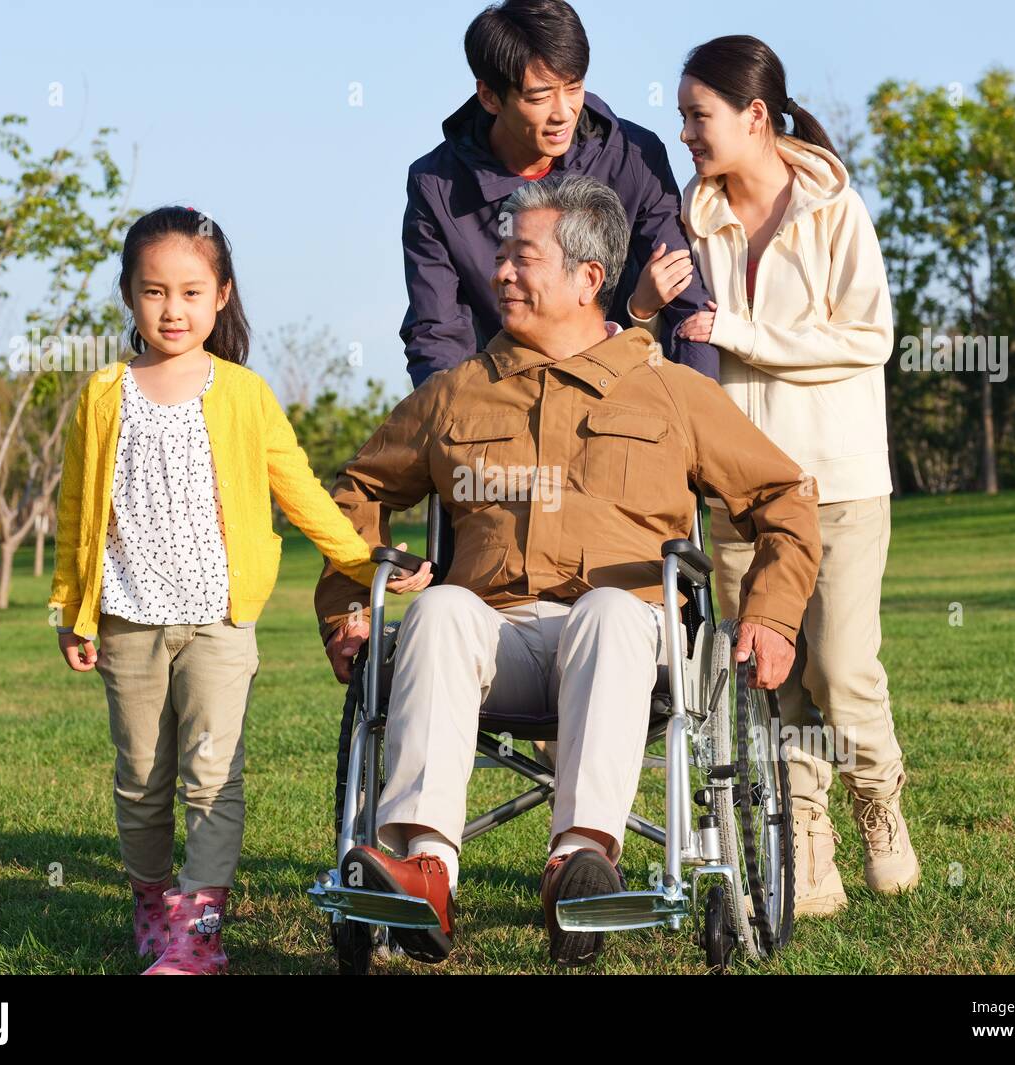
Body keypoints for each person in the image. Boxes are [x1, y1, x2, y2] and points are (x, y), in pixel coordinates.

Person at [317, 174, 821, 967]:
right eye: (502, 257)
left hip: (632, 647)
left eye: (522, 259)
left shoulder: (671, 394)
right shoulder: (458, 396)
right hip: (497, 642)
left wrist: (771, 611)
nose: (500, 273)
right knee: (442, 608)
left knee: (613, 612)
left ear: (590, 278)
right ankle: (423, 871)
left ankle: (581, 866)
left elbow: (784, 495)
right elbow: (360, 490)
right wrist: (349, 603)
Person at [47, 206, 430, 975]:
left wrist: (363, 560)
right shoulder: (102, 393)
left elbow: (300, 492)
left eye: (191, 291)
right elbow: (77, 513)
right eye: (154, 291)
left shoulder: (245, 394)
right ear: (128, 295)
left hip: (221, 623)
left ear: (222, 295)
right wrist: (69, 608)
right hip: (127, 620)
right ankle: (153, 904)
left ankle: (200, 931)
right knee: (141, 781)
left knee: (213, 779)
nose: (173, 309)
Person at [628, 35, 920, 916]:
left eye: (698, 116)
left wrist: (743, 333)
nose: (684, 132)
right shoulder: (694, 214)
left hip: (840, 483)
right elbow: (674, 341)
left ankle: (879, 799)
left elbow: (870, 339)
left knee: (839, 669)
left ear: (755, 116)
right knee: (769, 673)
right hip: (741, 499)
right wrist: (646, 306)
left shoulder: (837, 212)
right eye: (681, 116)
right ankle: (809, 847)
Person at [401, 0, 717, 388]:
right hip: (504, 400)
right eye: (539, 97)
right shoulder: (435, 185)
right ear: (489, 97)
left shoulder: (635, 157)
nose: (563, 112)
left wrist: (695, 416)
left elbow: (688, 308)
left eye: (574, 87)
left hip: (624, 396)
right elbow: (438, 335)